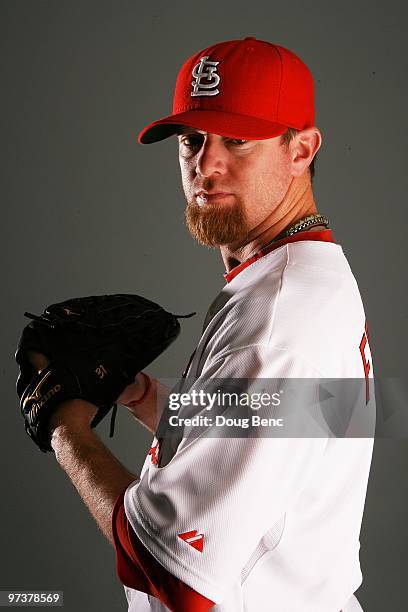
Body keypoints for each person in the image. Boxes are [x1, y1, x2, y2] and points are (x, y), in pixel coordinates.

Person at [34, 38, 375, 611]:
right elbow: (310, 420)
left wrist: (64, 427)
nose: (206, 165)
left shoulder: (277, 316)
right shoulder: (307, 276)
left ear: (301, 149)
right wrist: (144, 397)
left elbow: (178, 580)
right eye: (194, 140)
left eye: (238, 140)